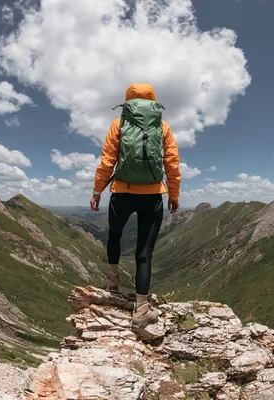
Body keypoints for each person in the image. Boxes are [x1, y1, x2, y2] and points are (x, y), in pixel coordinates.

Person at [91, 83, 181, 327]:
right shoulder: (163, 127)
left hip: (122, 191)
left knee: (115, 235)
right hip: (152, 196)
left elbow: (107, 161)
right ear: (154, 101)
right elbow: (172, 164)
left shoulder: (118, 124)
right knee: (144, 253)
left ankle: (112, 282)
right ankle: (141, 308)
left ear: (127, 102)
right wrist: (173, 195)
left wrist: (98, 190)